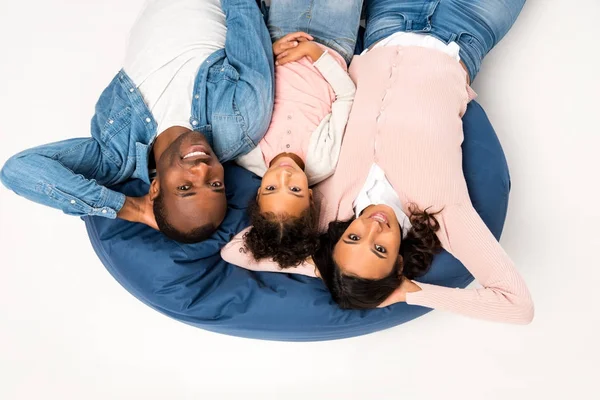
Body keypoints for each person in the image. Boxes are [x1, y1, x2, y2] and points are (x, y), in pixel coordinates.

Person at [222, 0, 534, 324]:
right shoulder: (444, 217)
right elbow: (518, 307)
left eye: (354, 239)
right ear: (399, 265)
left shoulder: (329, 207)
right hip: (468, 25)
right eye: (381, 249)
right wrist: (404, 293)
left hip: (391, 16)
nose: (373, 228)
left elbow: (240, 250)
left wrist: (327, 268)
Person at [0, 0, 274, 244]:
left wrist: (129, 208)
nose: (203, 171)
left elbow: (18, 170)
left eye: (185, 187)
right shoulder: (242, 121)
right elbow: (242, 9)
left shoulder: (115, 155)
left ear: (155, 189)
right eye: (216, 185)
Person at [227, 0, 363, 268]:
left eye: (271, 187)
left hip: (282, 34)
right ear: (311, 196)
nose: (284, 176)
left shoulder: (245, 150)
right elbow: (346, 97)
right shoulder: (323, 161)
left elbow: (249, 81)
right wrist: (315, 54)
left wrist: (267, 52)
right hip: (332, 42)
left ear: (258, 193)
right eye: (295, 189)